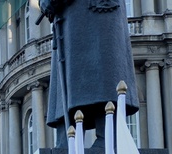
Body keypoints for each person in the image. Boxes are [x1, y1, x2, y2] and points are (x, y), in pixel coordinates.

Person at [41, 0, 138, 146]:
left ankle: (108, 137)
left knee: (104, 74)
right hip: (69, 18)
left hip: (98, 13)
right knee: (71, 81)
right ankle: (68, 139)